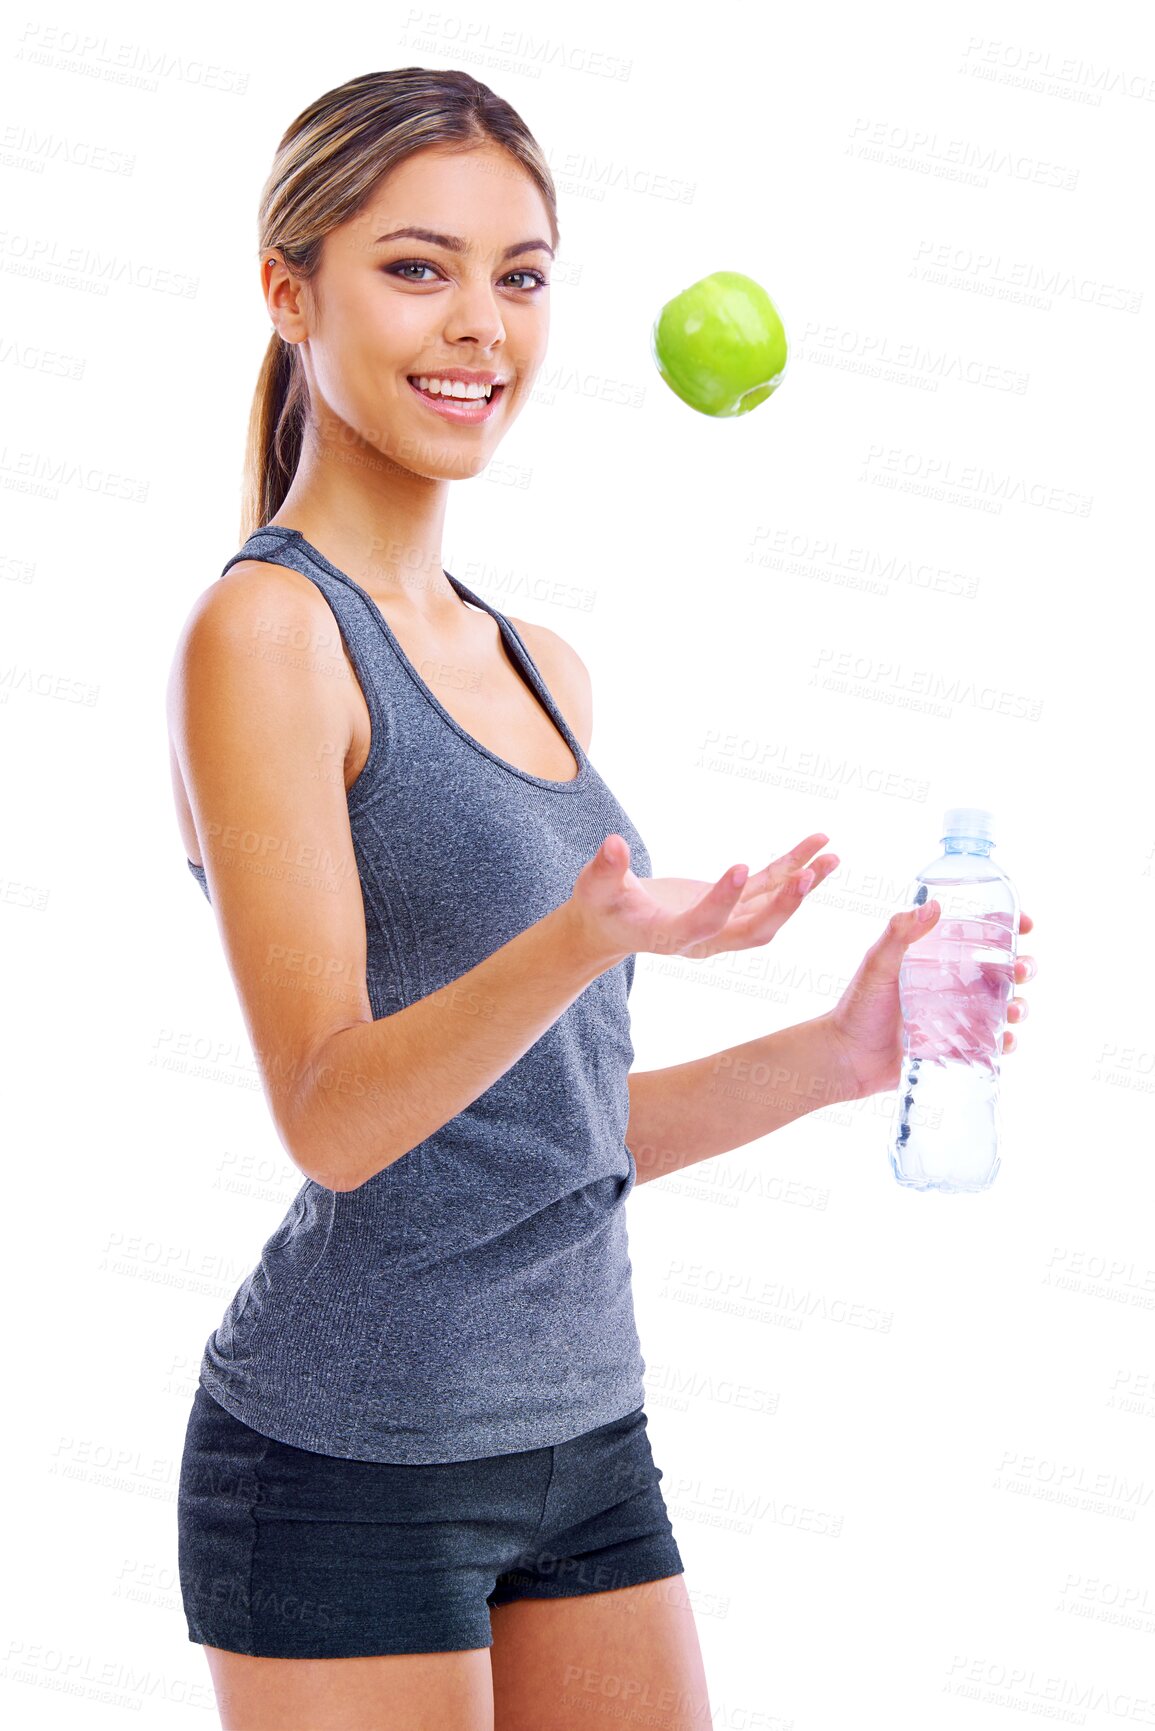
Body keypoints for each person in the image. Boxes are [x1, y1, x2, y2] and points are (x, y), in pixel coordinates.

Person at [167, 67, 1038, 1731]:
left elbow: (552, 1136)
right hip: (350, 1458)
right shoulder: (268, 639)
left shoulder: (540, 665)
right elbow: (337, 1120)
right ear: (292, 293)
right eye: (417, 268)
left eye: (522, 273)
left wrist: (840, 1053)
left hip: (584, 1441)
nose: (479, 325)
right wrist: (582, 939)